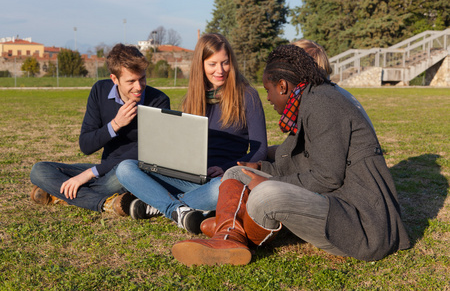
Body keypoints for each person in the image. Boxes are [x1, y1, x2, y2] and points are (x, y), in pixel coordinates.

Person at [171, 44, 410, 266]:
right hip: (336, 200)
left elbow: (327, 178)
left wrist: (268, 180)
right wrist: (261, 168)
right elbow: (301, 160)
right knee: (236, 173)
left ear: (283, 86)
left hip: (360, 221)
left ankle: (231, 230)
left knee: (266, 193)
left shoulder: (322, 104)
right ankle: (230, 235)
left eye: (268, 90)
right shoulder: (309, 101)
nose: (267, 98)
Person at [115, 33, 268, 234]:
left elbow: (260, 150)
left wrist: (226, 168)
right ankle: (180, 208)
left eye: (225, 63)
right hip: (190, 177)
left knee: (219, 190)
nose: (220, 70)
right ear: (201, 65)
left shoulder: (248, 96)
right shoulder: (193, 99)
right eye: (212, 64)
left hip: (221, 179)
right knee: (125, 168)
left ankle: (161, 205)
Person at [29, 43, 170, 215]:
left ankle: (60, 195)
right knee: (39, 171)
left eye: (142, 78)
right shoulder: (99, 90)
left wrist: (89, 173)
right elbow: (86, 145)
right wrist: (115, 125)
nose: (139, 87)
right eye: (131, 81)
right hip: (104, 169)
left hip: (132, 170)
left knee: (119, 177)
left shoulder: (159, 101)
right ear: (114, 79)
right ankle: (107, 203)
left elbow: (146, 152)